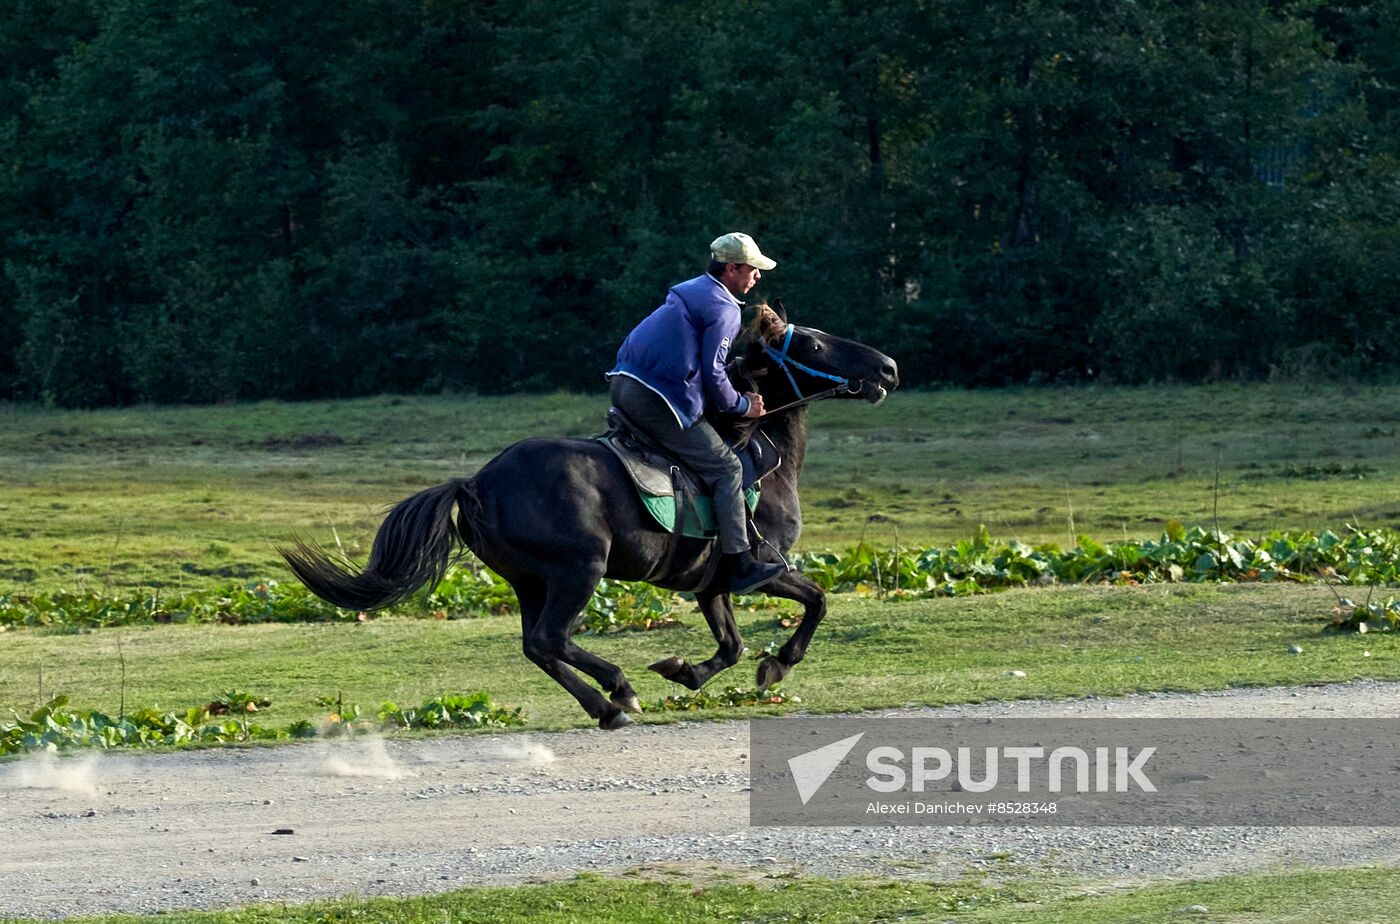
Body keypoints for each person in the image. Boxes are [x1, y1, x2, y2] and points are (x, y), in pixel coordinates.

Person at [607, 232, 789, 595]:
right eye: (752, 269)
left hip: (623, 385)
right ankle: (739, 562)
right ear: (732, 268)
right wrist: (742, 405)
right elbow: (713, 374)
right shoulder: (724, 307)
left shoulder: (691, 291)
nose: (757, 277)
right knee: (727, 468)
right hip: (657, 399)